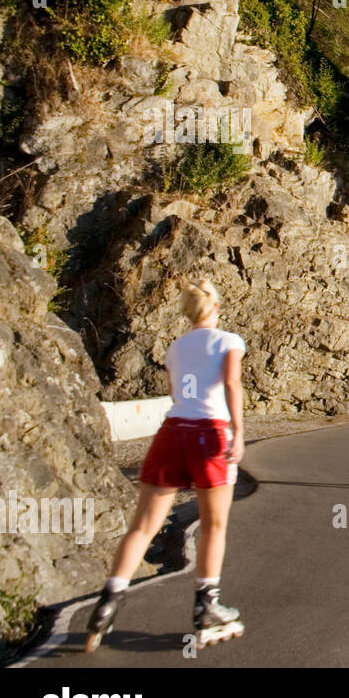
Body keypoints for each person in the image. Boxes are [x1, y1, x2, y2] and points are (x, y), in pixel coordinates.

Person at [85, 278, 247, 651]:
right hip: (210, 435)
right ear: (216, 308)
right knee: (214, 525)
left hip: (172, 434)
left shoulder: (176, 347)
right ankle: (206, 605)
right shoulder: (228, 341)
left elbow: (176, 393)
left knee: (143, 526)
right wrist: (238, 433)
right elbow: (232, 384)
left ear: (188, 313)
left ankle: (108, 602)